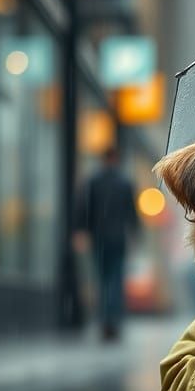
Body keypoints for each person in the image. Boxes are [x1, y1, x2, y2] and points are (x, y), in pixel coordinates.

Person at [74, 146, 139, 340]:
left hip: (99, 238)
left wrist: (81, 231)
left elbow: (84, 208)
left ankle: (104, 320)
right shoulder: (125, 183)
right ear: (116, 159)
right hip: (117, 239)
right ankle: (114, 321)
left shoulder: (94, 181)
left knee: (102, 280)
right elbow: (132, 214)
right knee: (116, 279)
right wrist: (135, 235)